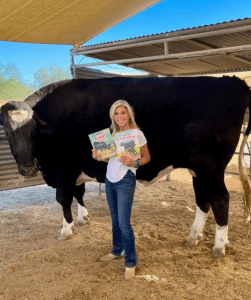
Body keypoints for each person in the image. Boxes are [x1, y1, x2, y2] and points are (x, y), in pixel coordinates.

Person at [92, 99, 150, 280]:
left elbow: (147, 156)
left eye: (123, 113)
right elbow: (111, 159)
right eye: (116, 114)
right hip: (110, 179)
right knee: (115, 220)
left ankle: (131, 262)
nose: (119, 117)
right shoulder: (112, 135)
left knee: (124, 223)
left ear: (129, 114)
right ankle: (117, 250)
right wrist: (98, 156)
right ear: (113, 117)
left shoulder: (137, 134)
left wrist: (136, 162)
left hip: (126, 179)